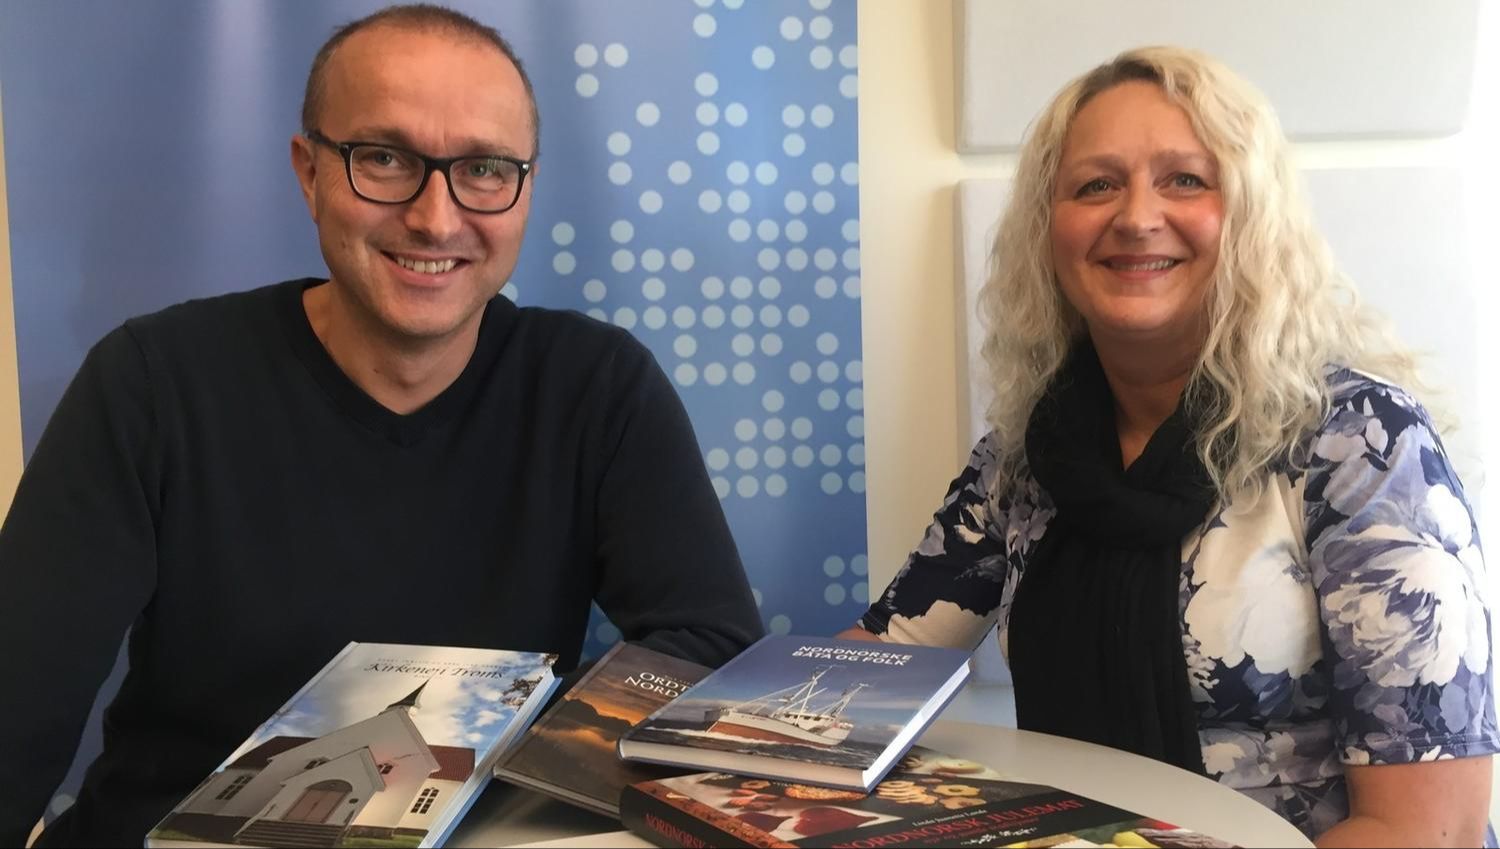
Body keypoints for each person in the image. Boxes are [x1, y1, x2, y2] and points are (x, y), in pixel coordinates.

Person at [0, 5, 764, 846]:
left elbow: (711, 648)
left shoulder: (596, 384)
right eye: (386, 159)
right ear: (310, 172)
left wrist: (483, 745)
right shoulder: (152, 383)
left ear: (524, 188)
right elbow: (17, 704)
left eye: (483, 169)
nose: (436, 217)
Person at [840, 46, 1495, 846]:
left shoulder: (1363, 446)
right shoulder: (1026, 459)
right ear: (1049, 229)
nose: (1136, 216)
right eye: (1096, 185)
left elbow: (1430, 829)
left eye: (1185, 179)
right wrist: (718, 729)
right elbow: (868, 674)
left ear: (1251, 217)